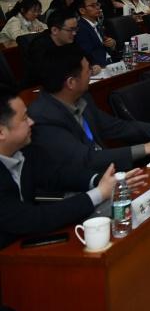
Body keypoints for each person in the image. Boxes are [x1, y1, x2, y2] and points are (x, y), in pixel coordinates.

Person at [0, 85, 137, 251]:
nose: (31, 122)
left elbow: (55, 174)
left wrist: (99, 180)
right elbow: (31, 219)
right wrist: (99, 194)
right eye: (24, 119)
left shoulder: (23, 151)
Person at [27, 46, 150, 171]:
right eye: (88, 71)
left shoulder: (82, 99)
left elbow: (117, 127)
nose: (91, 74)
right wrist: (147, 148)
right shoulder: (43, 117)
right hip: (81, 187)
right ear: (71, 82)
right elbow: (85, 159)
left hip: (107, 173)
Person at [23, 10, 92, 86]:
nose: (74, 33)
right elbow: (44, 75)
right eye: (70, 30)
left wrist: (92, 66)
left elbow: (83, 56)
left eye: (75, 29)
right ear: (54, 30)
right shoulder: (39, 47)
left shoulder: (71, 40)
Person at [73, 0, 117, 67]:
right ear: (82, 10)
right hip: (99, 66)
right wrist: (111, 65)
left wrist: (112, 44)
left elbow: (103, 47)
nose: (98, 7)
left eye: (97, 4)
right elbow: (89, 55)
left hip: (109, 60)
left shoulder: (98, 25)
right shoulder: (80, 28)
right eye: (93, 5)